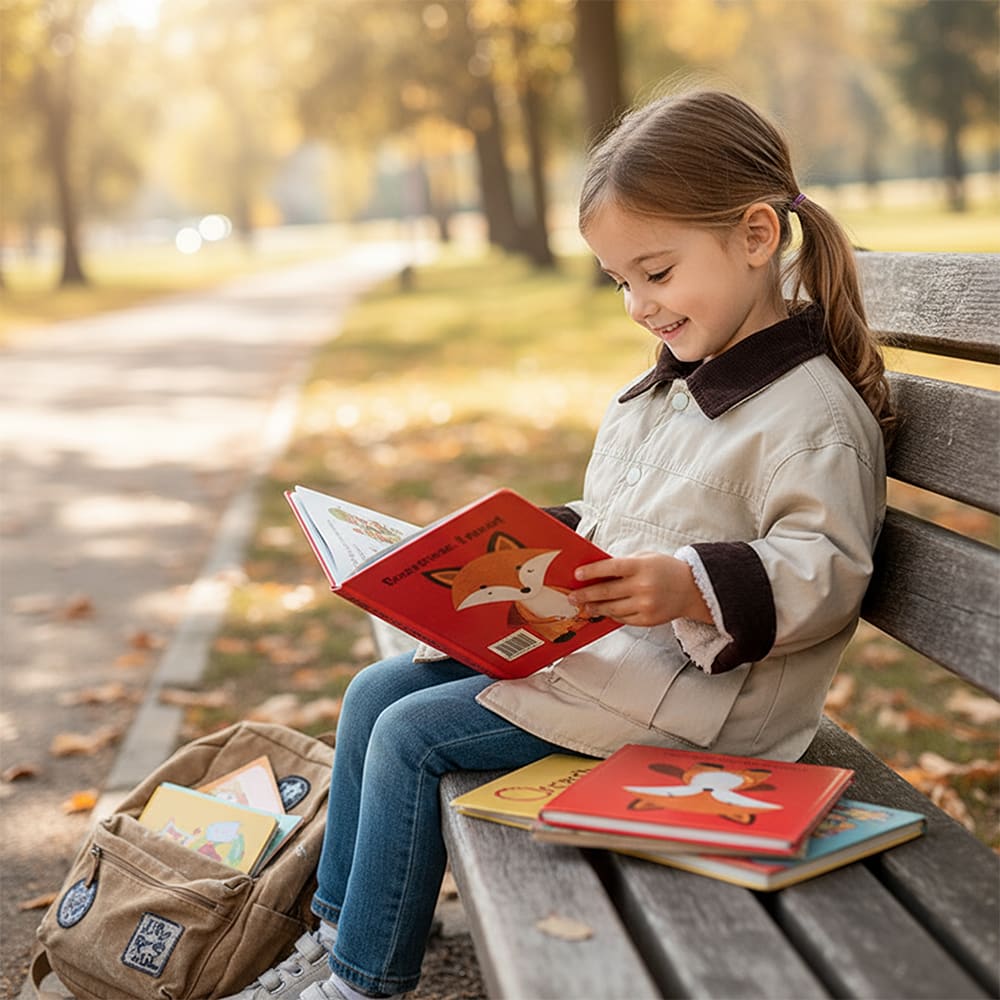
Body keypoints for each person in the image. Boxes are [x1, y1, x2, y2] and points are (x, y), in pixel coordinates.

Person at [222, 88, 893, 1000]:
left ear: (755, 235)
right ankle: (335, 927)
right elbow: (638, 511)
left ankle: (361, 978)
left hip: (705, 712)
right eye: (622, 282)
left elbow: (831, 570)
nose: (638, 305)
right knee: (377, 689)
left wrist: (690, 585)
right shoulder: (671, 388)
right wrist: (520, 546)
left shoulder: (811, 417)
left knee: (416, 734)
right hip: (621, 669)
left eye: (656, 273)